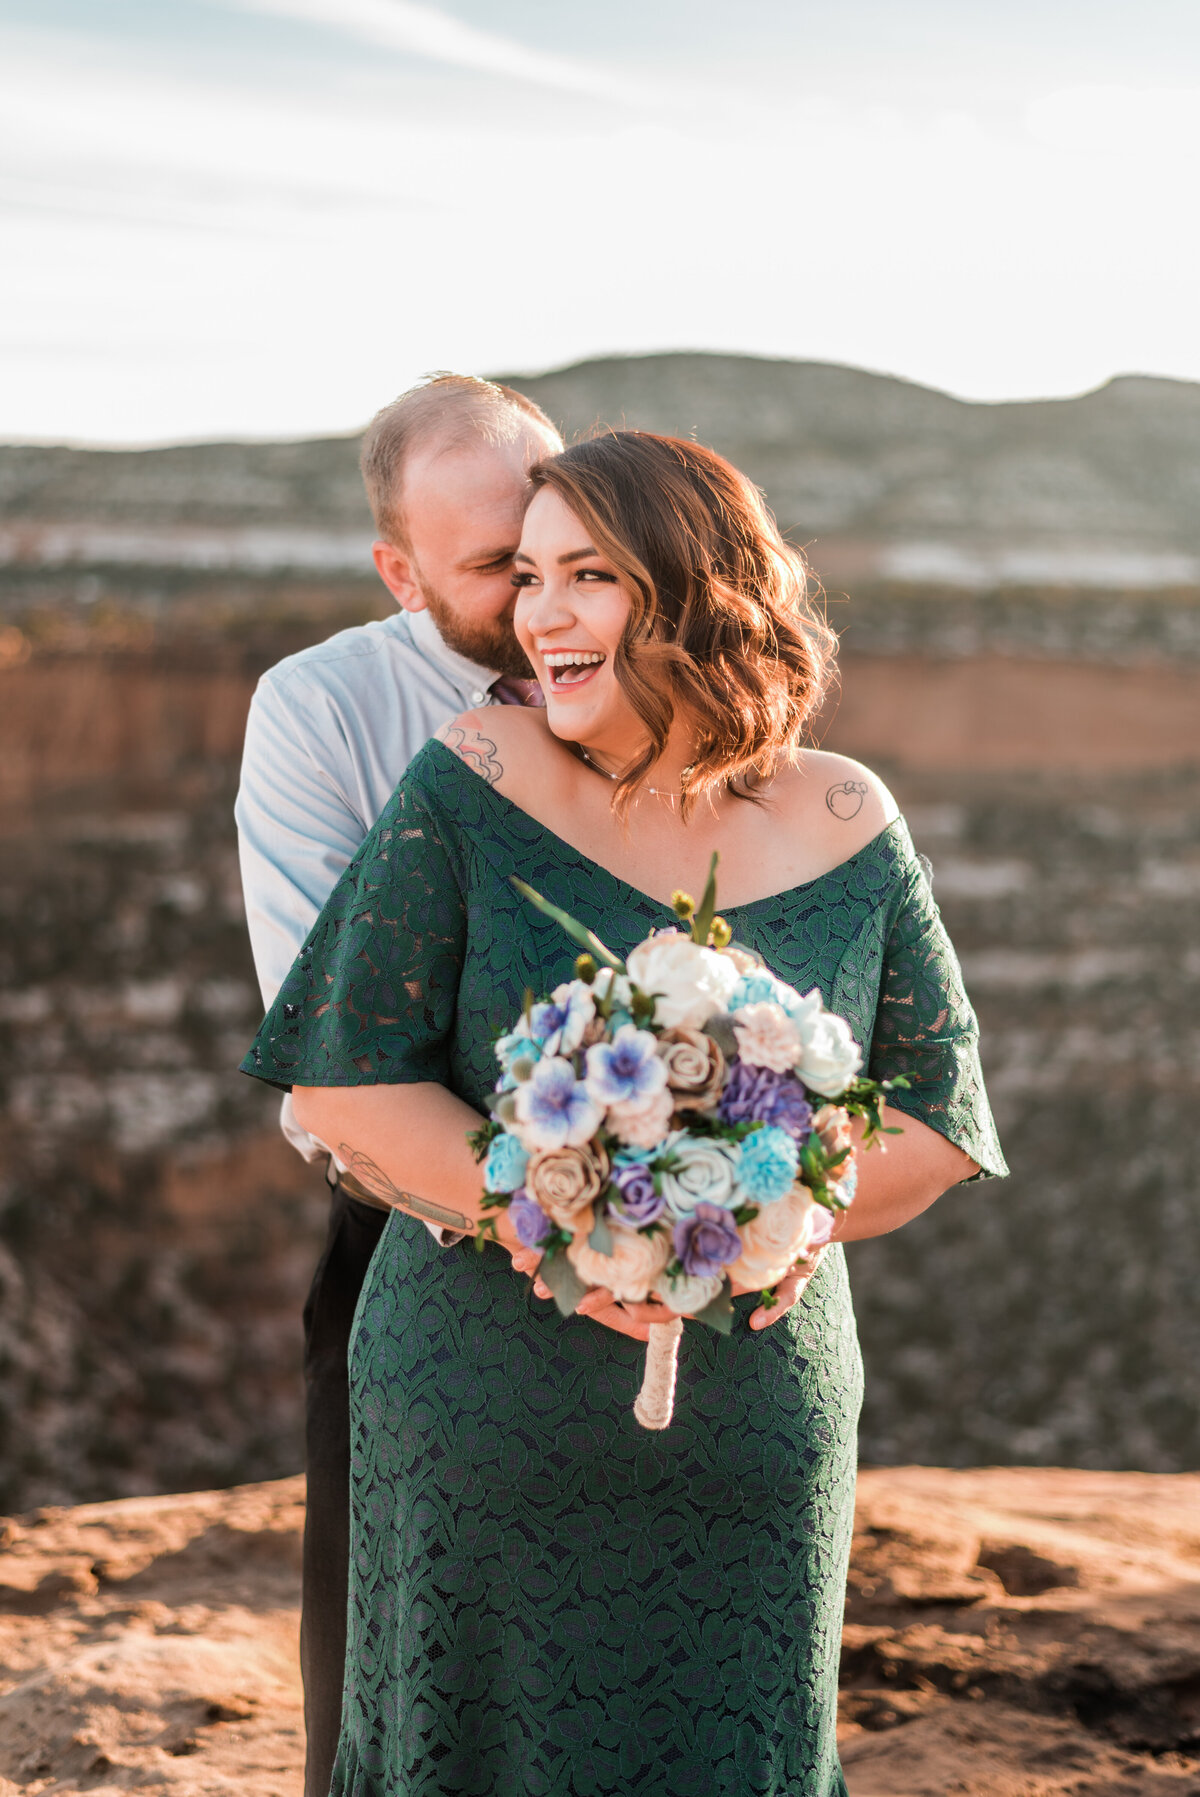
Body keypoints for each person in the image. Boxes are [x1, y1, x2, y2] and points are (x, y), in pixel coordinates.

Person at [242, 430, 1007, 1795]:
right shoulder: (470, 772)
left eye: (586, 576)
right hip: (482, 1417)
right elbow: (342, 1077)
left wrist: (780, 1210)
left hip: (754, 1428)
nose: (539, 615)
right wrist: (563, 1218)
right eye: (527, 576)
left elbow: (939, 1116)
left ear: (697, 589)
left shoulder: (844, 811)